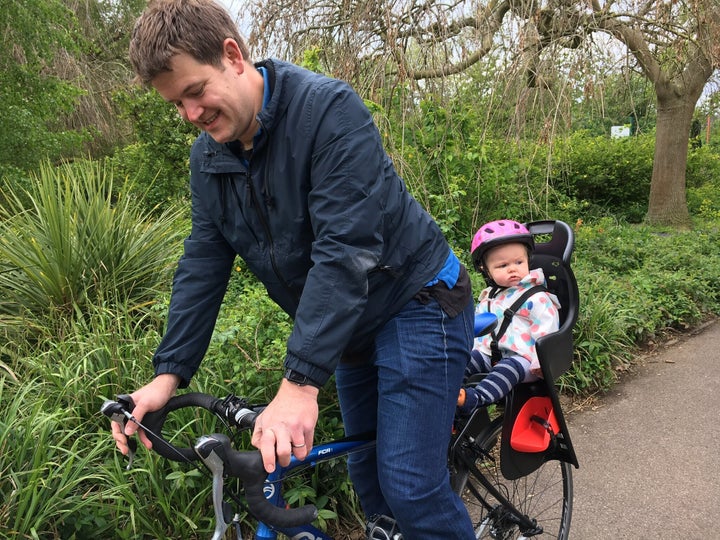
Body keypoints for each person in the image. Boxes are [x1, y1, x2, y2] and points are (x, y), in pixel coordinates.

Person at [109, 1, 477, 537]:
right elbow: (202, 266)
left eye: (194, 92)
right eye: (176, 104)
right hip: (351, 326)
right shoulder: (208, 161)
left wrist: (300, 383)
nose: (190, 114)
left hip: (416, 301)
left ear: (232, 56)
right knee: (369, 483)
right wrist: (167, 376)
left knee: (409, 484)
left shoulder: (327, 112)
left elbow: (345, 250)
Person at [457, 220, 560, 415]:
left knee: (506, 370)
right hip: (490, 352)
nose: (512, 269)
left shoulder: (536, 297)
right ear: (485, 270)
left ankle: (474, 399)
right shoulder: (489, 296)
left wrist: (540, 361)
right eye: (502, 265)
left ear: (528, 260)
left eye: (519, 262)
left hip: (525, 359)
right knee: (463, 361)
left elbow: (548, 328)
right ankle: (454, 394)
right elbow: (478, 328)